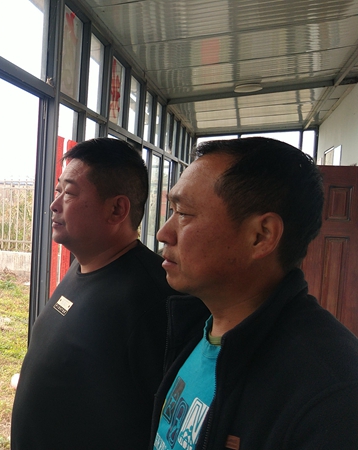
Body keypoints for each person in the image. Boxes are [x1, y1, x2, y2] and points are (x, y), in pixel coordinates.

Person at [151, 137, 358, 450]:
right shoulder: (197, 325)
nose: (163, 233)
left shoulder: (331, 397)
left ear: (261, 236)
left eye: (184, 213)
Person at [10, 138, 178, 449]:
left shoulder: (154, 299)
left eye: (70, 193)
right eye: (58, 190)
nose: (54, 204)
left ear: (116, 209)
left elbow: (167, 424)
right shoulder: (83, 265)